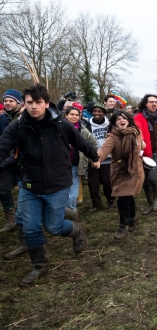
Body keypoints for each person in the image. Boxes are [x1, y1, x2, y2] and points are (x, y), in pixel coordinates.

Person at [0, 84, 99, 287]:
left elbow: (82, 143)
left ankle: (77, 230)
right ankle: (40, 265)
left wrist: (95, 157)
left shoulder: (62, 125)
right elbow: (3, 147)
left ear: (46, 103)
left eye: (38, 102)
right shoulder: (18, 127)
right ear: (24, 104)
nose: (34, 107)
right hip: (30, 184)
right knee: (30, 228)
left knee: (53, 227)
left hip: (57, 184)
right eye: (29, 103)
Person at [94, 110, 145, 239]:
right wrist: (97, 159)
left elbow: (142, 144)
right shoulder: (112, 137)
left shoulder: (136, 132)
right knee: (126, 196)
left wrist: (142, 145)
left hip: (135, 170)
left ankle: (124, 225)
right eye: (118, 119)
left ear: (128, 120)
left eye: (124, 118)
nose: (121, 120)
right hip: (120, 171)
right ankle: (132, 219)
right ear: (114, 123)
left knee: (124, 197)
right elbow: (104, 149)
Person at [64, 106, 97, 220]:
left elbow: (93, 144)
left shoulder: (83, 130)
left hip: (76, 164)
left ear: (80, 116)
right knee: (62, 189)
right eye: (71, 114)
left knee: (73, 190)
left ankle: (71, 211)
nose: (74, 117)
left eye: (76, 115)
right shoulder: (59, 128)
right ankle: (61, 210)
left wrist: (87, 158)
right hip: (60, 165)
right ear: (66, 115)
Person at [0, 88, 23, 232]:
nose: (8, 103)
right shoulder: (2, 119)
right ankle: (12, 220)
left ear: (18, 103)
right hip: (6, 160)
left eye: (11, 101)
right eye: (5, 101)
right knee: (3, 190)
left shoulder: (24, 116)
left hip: (23, 159)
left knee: (29, 190)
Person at [85, 103, 114, 211]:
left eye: (99, 111)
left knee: (107, 182)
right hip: (93, 157)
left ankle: (111, 200)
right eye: (95, 111)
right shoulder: (88, 124)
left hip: (108, 157)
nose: (97, 113)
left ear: (103, 113)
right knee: (93, 183)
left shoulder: (109, 124)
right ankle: (96, 204)